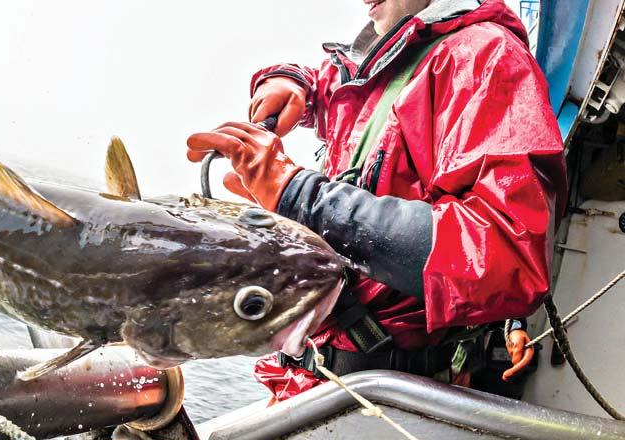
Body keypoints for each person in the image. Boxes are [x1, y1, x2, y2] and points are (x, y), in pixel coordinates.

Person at [186, 0, 567, 401]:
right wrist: (289, 80)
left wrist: (299, 195)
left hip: (390, 398)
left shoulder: (485, 56)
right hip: (305, 385)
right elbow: (331, 83)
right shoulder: (381, 56)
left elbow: (502, 257)